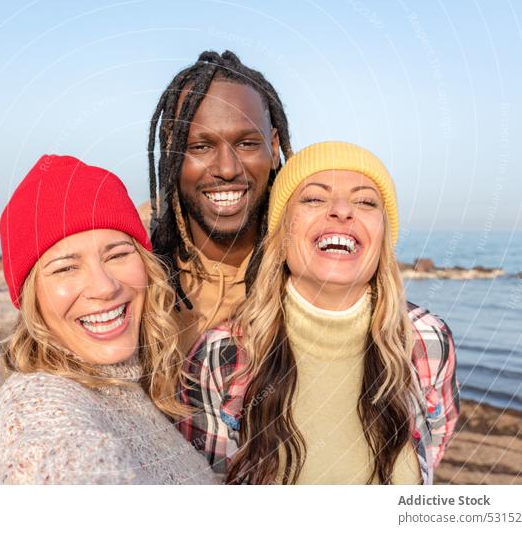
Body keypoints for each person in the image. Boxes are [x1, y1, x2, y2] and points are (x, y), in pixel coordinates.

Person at [179, 141, 460, 484]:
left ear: (383, 236)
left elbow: (435, 441)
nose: (342, 210)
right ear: (281, 234)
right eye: (314, 198)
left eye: (365, 201)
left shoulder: (428, 339)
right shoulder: (220, 354)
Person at [0, 155, 217, 485]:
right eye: (66, 267)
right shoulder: (33, 409)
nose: (105, 287)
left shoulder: (134, 388)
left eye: (117, 255)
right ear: (31, 297)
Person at [142, 49, 293, 354]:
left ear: (274, 147)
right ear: (171, 153)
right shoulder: (138, 284)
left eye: (247, 143)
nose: (227, 169)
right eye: (200, 146)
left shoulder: (312, 274)